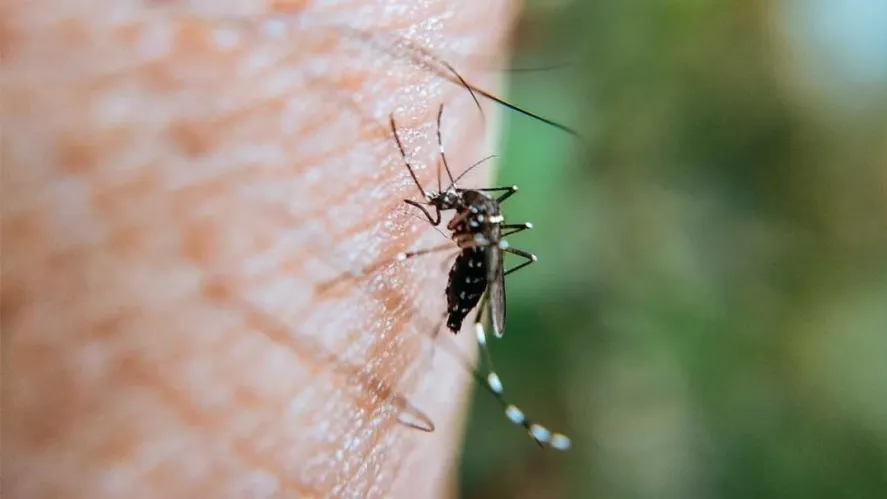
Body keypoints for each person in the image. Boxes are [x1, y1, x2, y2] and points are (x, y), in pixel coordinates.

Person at [3, 1, 514, 496]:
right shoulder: (474, 212)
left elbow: (458, 230)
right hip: (474, 259)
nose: (447, 201)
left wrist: (400, 253)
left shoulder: (475, 228)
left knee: (449, 260)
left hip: (472, 270)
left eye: (455, 202)